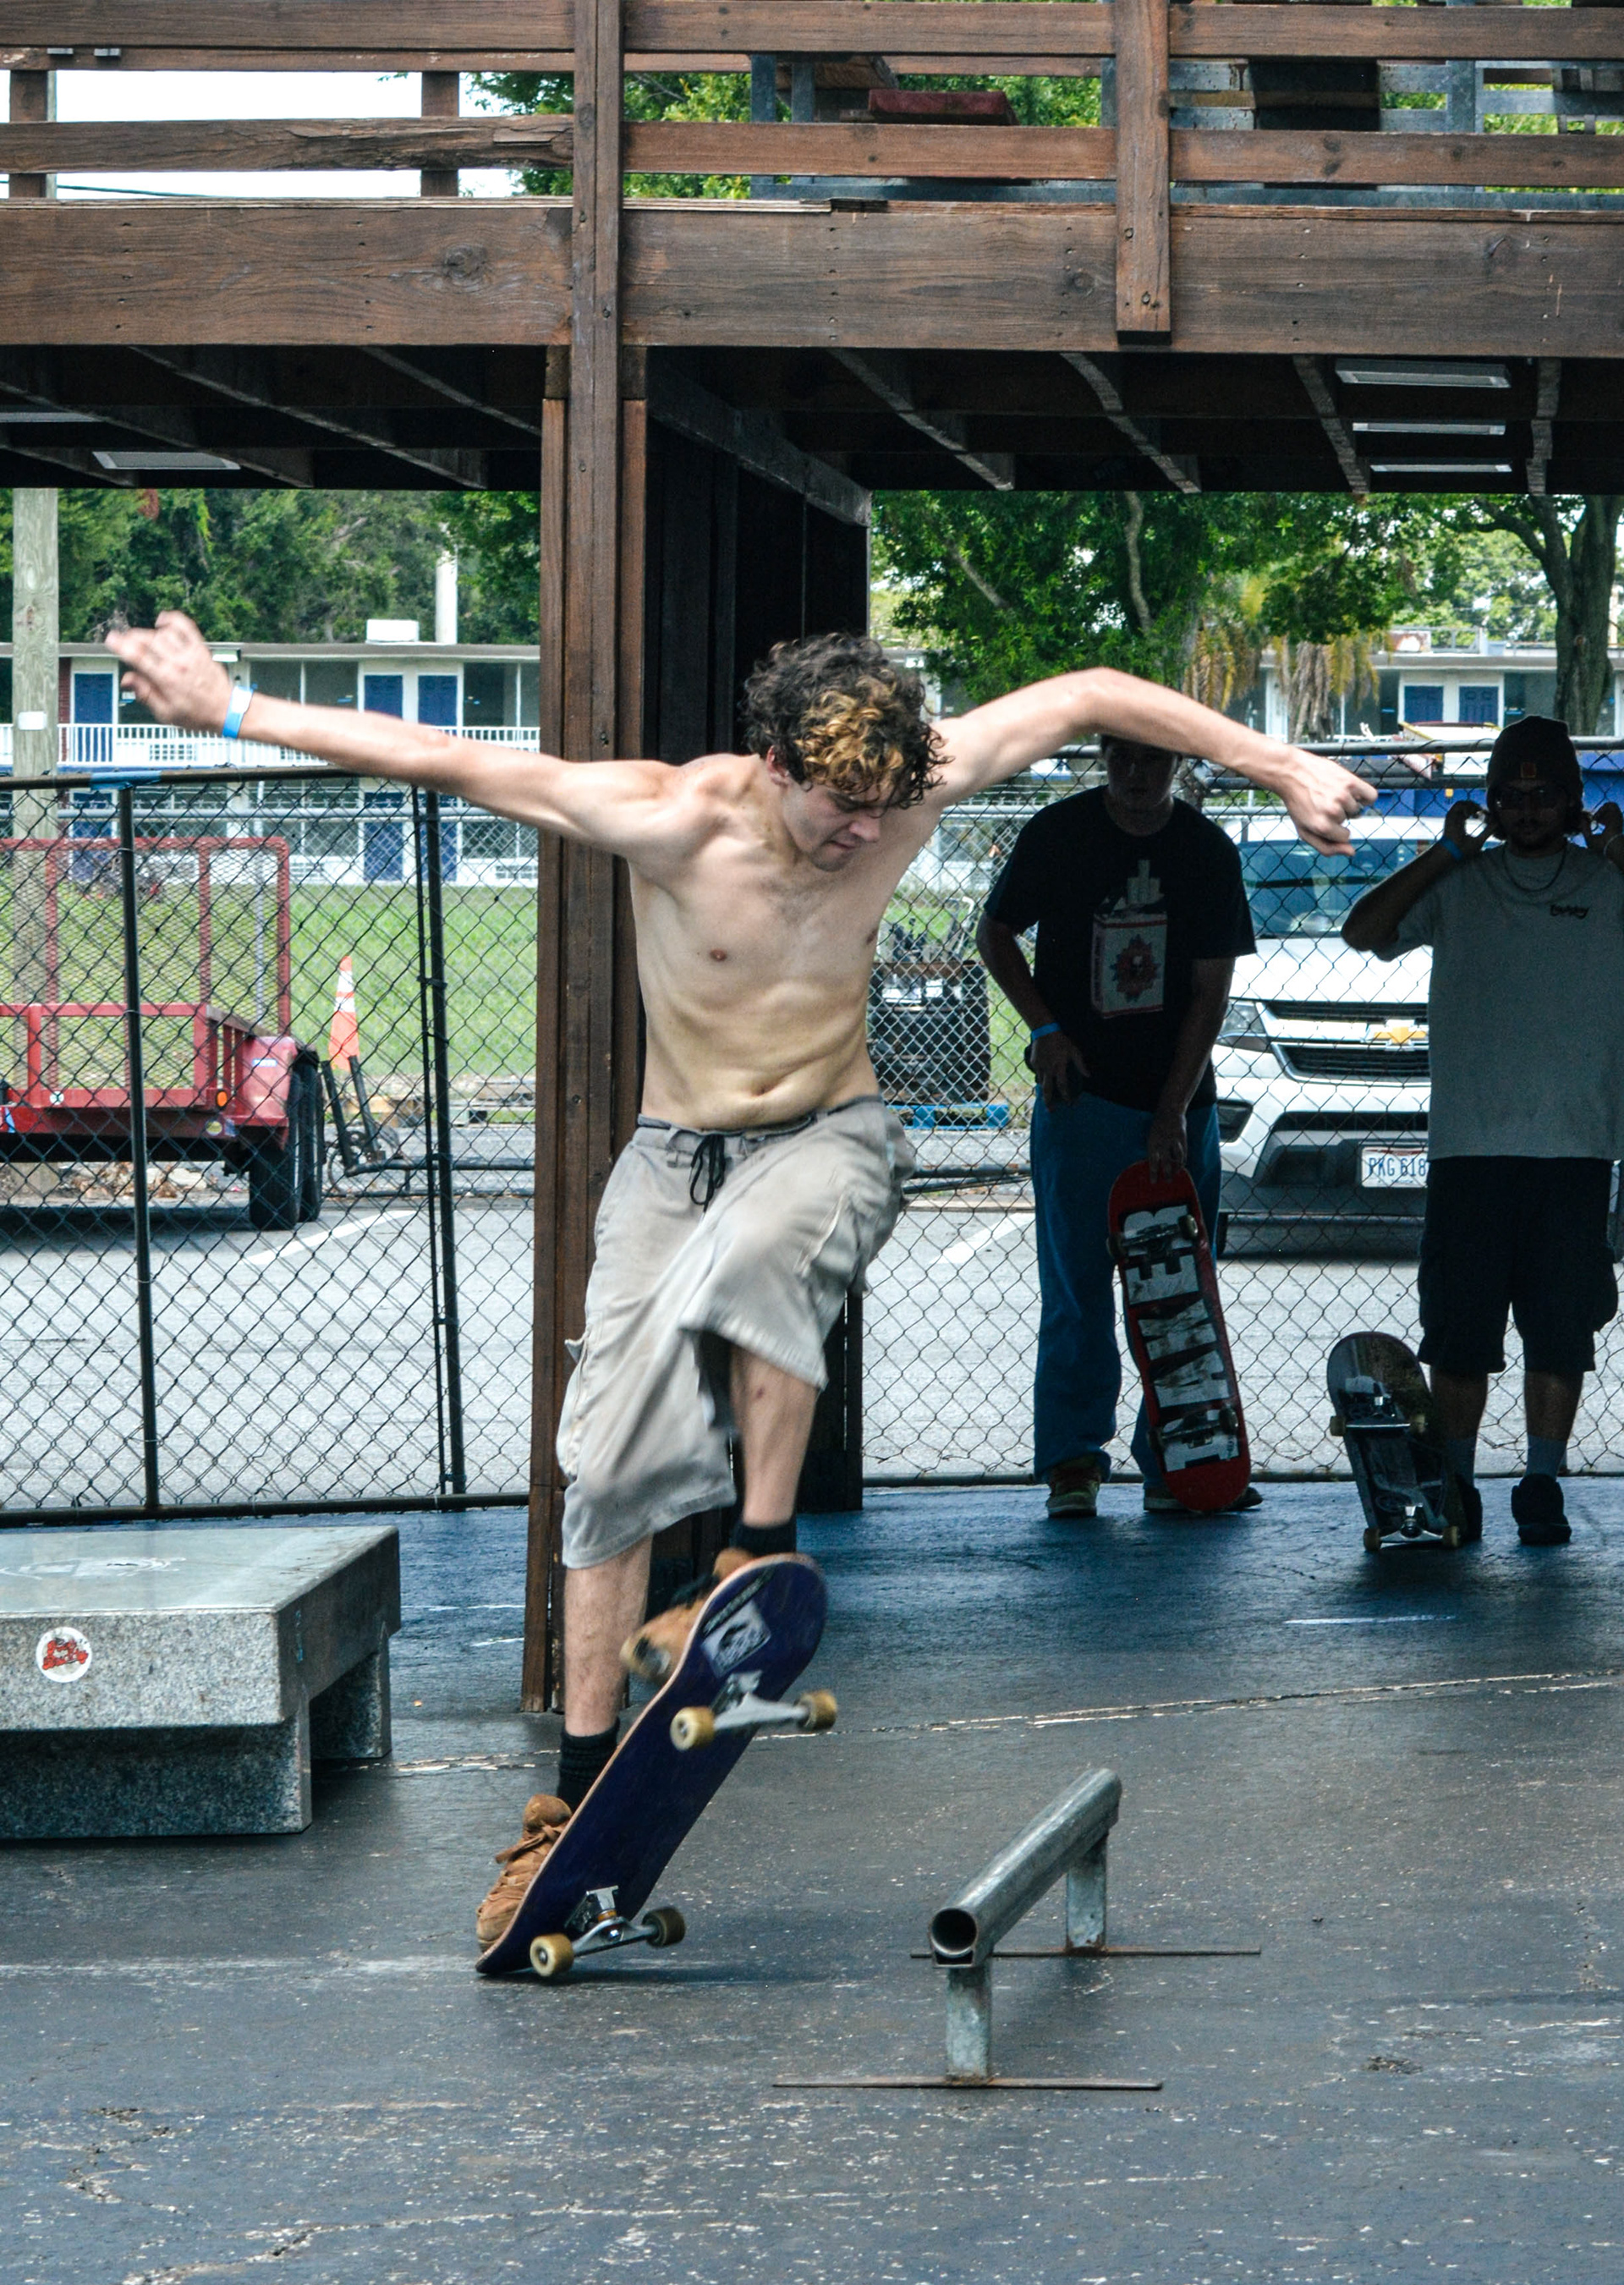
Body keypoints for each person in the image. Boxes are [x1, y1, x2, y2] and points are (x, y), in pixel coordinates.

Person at [109, 612, 1371, 1936]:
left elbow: (1095, 689)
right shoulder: (666, 818)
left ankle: (754, 1548)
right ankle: (574, 1796)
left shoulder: (906, 785)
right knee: (602, 1467)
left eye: (889, 811)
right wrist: (230, 709)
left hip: (826, 1130)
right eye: (840, 811)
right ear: (773, 763)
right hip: (671, 1157)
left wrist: (1274, 765)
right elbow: (440, 757)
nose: (864, 839)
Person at [1342, 713, 1624, 1547]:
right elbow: (1366, 932)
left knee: (1559, 1330)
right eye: (1513, 796)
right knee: (1461, 1335)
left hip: (1575, 1148)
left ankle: (1542, 1479)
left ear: (1574, 803)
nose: (1529, 810)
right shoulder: (1460, 885)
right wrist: (1446, 852)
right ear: (1490, 805)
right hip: (1471, 1148)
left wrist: (1620, 851)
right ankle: (1455, 1486)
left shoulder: (1608, 882)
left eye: (1546, 796)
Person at [978, 739, 1258, 1519]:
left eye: (1154, 761)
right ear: (1103, 755)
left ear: (1179, 763)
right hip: (1081, 1102)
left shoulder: (1206, 851)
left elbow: (1210, 991)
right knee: (1075, 1287)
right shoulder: (1058, 834)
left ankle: (1178, 1461)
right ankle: (1073, 1459)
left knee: (1176, 1288)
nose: (1137, 776)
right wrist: (1045, 1029)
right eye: (1123, 759)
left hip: (1176, 1107)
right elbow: (995, 933)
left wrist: (1172, 1109)